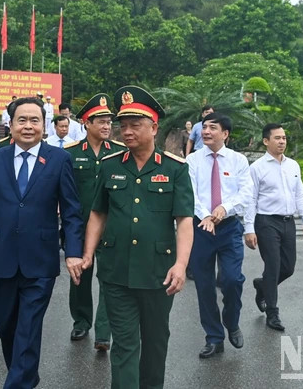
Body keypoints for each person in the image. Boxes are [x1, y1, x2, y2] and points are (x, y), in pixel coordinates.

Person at [0, 97, 84, 389]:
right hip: (2, 259)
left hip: (40, 260)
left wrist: (73, 252)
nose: (28, 126)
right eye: (22, 120)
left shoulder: (59, 159)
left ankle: (17, 383)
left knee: (27, 329)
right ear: (10, 125)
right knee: (6, 326)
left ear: (44, 125)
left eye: (34, 120)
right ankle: (26, 375)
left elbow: (73, 212)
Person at [82, 86, 194, 389]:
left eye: (135, 125)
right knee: (125, 345)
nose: (126, 131)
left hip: (159, 273)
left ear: (154, 127)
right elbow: (98, 213)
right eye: (123, 125)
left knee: (156, 343)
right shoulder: (109, 166)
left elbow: (184, 220)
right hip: (116, 271)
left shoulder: (175, 169)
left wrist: (181, 264)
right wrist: (88, 254)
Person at [186, 112, 252, 359]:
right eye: (204, 127)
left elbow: (245, 194)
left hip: (229, 227)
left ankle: (231, 321)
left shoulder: (238, 160)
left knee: (233, 280)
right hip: (201, 229)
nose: (206, 132)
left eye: (213, 127)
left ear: (225, 134)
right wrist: (205, 216)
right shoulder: (192, 160)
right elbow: (188, 193)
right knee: (204, 286)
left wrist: (223, 209)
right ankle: (214, 337)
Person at [63, 93, 125, 352]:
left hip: (111, 227)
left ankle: (104, 331)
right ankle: (81, 320)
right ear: (86, 124)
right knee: (79, 277)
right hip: (79, 227)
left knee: (109, 279)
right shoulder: (70, 154)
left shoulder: (121, 153)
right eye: (100, 121)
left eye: (109, 121)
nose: (107, 126)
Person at [243, 123, 303, 332]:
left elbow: (299, 194)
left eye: (284, 138)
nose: (282, 141)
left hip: (287, 221)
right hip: (266, 222)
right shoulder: (257, 168)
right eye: (277, 138)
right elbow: (250, 199)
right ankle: (272, 313)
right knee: (273, 266)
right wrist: (249, 228)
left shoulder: (293, 165)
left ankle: (262, 285)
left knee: (288, 267)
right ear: (266, 141)